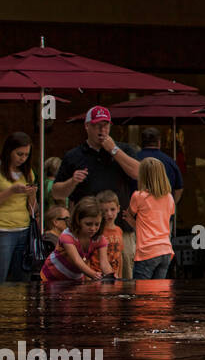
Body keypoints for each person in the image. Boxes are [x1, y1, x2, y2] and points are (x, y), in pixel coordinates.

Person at [52, 107, 141, 279]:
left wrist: (113, 150)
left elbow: (138, 173)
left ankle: (124, 307)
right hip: (86, 232)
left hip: (120, 228)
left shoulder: (123, 150)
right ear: (87, 126)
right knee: (86, 274)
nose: (102, 130)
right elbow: (57, 193)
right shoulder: (74, 156)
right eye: (97, 125)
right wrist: (72, 181)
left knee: (124, 274)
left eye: (106, 125)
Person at [126, 157, 176, 280]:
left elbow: (129, 214)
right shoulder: (169, 197)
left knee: (142, 294)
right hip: (165, 250)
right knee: (159, 294)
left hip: (147, 251)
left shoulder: (139, 196)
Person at [40, 196, 109, 283]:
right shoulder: (67, 236)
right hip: (50, 278)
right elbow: (77, 261)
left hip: (73, 280)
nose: (93, 228)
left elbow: (105, 264)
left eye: (97, 224)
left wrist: (112, 277)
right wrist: (94, 275)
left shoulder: (99, 239)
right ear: (78, 220)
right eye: (88, 224)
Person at [0, 132, 36, 282]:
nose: (22, 158)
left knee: (21, 278)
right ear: (9, 151)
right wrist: (11, 191)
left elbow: (32, 207)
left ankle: (19, 306)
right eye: (19, 154)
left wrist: (32, 194)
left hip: (24, 229)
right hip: (3, 229)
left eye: (26, 155)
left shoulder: (28, 173)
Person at [137, 127, 183, 212]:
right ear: (159, 142)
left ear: (141, 142)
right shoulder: (170, 162)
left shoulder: (133, 159)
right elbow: (178, 189)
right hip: (163, 214)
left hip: (140, 214)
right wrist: (169, 204)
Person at [91, 191, 124, 280]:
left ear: (118, 208)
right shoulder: (96, 231)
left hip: (113, 277)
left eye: (112, 209)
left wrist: (119, 277)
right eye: (104, 211)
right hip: (97, 276)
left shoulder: (119, 230)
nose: (109, 214)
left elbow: (119, 256)